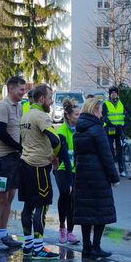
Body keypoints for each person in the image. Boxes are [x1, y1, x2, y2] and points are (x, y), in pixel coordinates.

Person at [19, 84, 67, 259]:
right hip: (39, 167)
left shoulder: (26, 115)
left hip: (25, 164)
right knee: (42, 205)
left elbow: (21, 141)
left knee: (27, 206)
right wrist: (54, 156)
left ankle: (28, 245)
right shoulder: (41, 116)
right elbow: (56, 140)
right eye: (50, 98)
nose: (51, 101)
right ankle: (38, 248)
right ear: (41, 99)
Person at [74, 97, 120, 259]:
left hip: (82, 175)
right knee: (101, 212)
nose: (102, 115)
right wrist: (114, 177)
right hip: (98, 175)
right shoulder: (97, 129)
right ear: (94, 111)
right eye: (100, 111)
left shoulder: (79, 129)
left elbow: (76, 154)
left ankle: (86, 248)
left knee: (86, 213)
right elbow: (106, 155)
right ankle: (96, 247)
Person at [0, 76, 25, 251]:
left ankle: (2, 234)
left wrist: (21, 148)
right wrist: (19, 147)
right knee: (0, 198)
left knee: (10, 197)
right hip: (0, 158)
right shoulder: (2, 106)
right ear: (11, 89)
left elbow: (19, 131)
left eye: (24, 89)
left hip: (14, 158)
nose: (23, 93)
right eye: (21, 89)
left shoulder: (19, 107)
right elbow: (1, 133)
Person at [53, 98, 81, 245]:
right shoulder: (62, 131)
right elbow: (64, 157)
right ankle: (62, 227)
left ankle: (70, 231)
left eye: (79, 114)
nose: (79, 117)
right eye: (76, 114)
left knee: (73, 199)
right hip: (63, 169)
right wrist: (70, 181)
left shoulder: (80, 130)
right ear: (69, 116)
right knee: (65, 193)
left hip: (76, 169)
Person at [102, 86, 126, 174]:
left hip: (119, 128)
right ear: (109, 94)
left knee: (120, 149)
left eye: (115, 92)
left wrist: (127, 121)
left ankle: (121, 169)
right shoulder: (106, 103)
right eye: (112, 93)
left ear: (117, 94)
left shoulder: (121, 103)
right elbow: (104, 116)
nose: (114, 94)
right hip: (110, 128)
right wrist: (110, 123)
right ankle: (112, 169)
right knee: (110, 149)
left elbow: (124, 114)